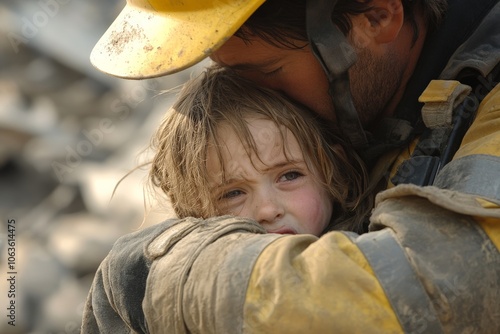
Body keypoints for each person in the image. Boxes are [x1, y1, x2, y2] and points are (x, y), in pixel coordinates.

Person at [83, 0, 500, 332]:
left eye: (267, 73)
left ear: (376, 17)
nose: (261, 104)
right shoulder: (392, 113)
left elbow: (447, 287)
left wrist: (169, 277)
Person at [148, 66, 371, 236]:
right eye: (232, 193)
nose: (267, 211)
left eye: (289, 175)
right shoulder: (203, 289)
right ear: (194, 212)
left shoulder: (383, 242)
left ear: (336, 171)